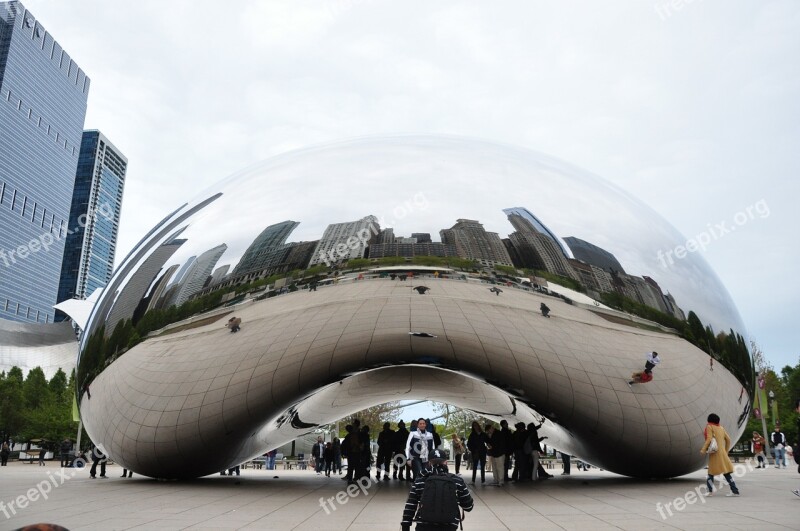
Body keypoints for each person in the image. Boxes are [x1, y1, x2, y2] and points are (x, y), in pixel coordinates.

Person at [400, 448, 474, 531]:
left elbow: (411, 505)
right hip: (449, 526)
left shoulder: (420, 480)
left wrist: (405, 526)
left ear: (429, 463)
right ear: (446, 462)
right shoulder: (457, 480)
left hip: (424, 526)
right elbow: (468, 507)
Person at [700, 413, 740, 497]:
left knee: (710, 473)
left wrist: (703, 449)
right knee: (727, 473)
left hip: (715, 453)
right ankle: (735, 491)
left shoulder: (709, 427)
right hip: (722, 453)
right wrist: (726, 451)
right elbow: (728, 440)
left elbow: (709, 439)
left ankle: (709, 491)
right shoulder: (721, 428)